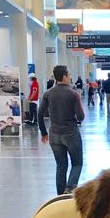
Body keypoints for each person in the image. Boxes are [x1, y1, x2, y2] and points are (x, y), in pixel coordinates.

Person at [38, 64, 85, 196]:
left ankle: (60, 195)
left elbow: (40, 113)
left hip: (54, 134)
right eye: (69, 75)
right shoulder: (73, 94)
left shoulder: (48, 93)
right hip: (70, 133)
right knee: (77, 163)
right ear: (64, 77)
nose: (70, 77)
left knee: (61, 166)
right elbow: (81, 116)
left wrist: (43, 132)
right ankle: (70, 188)